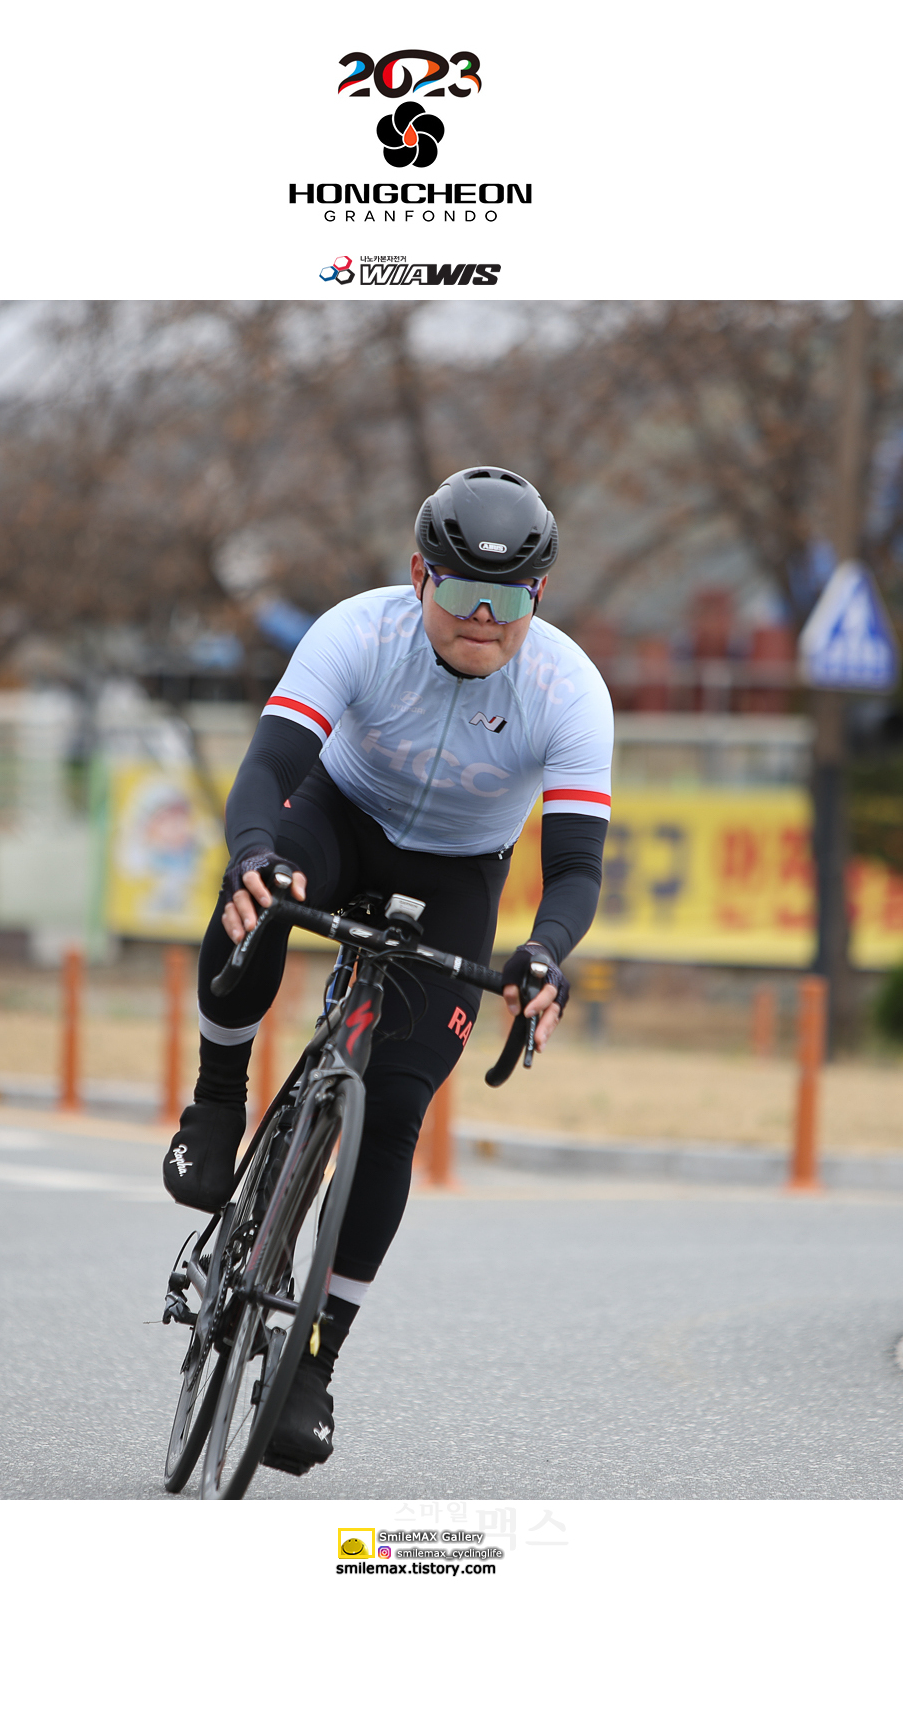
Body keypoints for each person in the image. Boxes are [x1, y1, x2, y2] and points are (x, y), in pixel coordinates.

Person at [163, 465, 613, 1475]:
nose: (485, 619)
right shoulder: (358, 633)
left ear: (539, 596)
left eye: (510, 600)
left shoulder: (570, 689)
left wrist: (544, 953)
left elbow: (577, 868)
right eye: (463, 593)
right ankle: (217, 1099)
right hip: (341, 820)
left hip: (460, 871)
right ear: (419, 577)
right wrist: (253, 853)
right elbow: (270, 768)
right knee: (258, 900)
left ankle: (315, 1363)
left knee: (398, 1107)